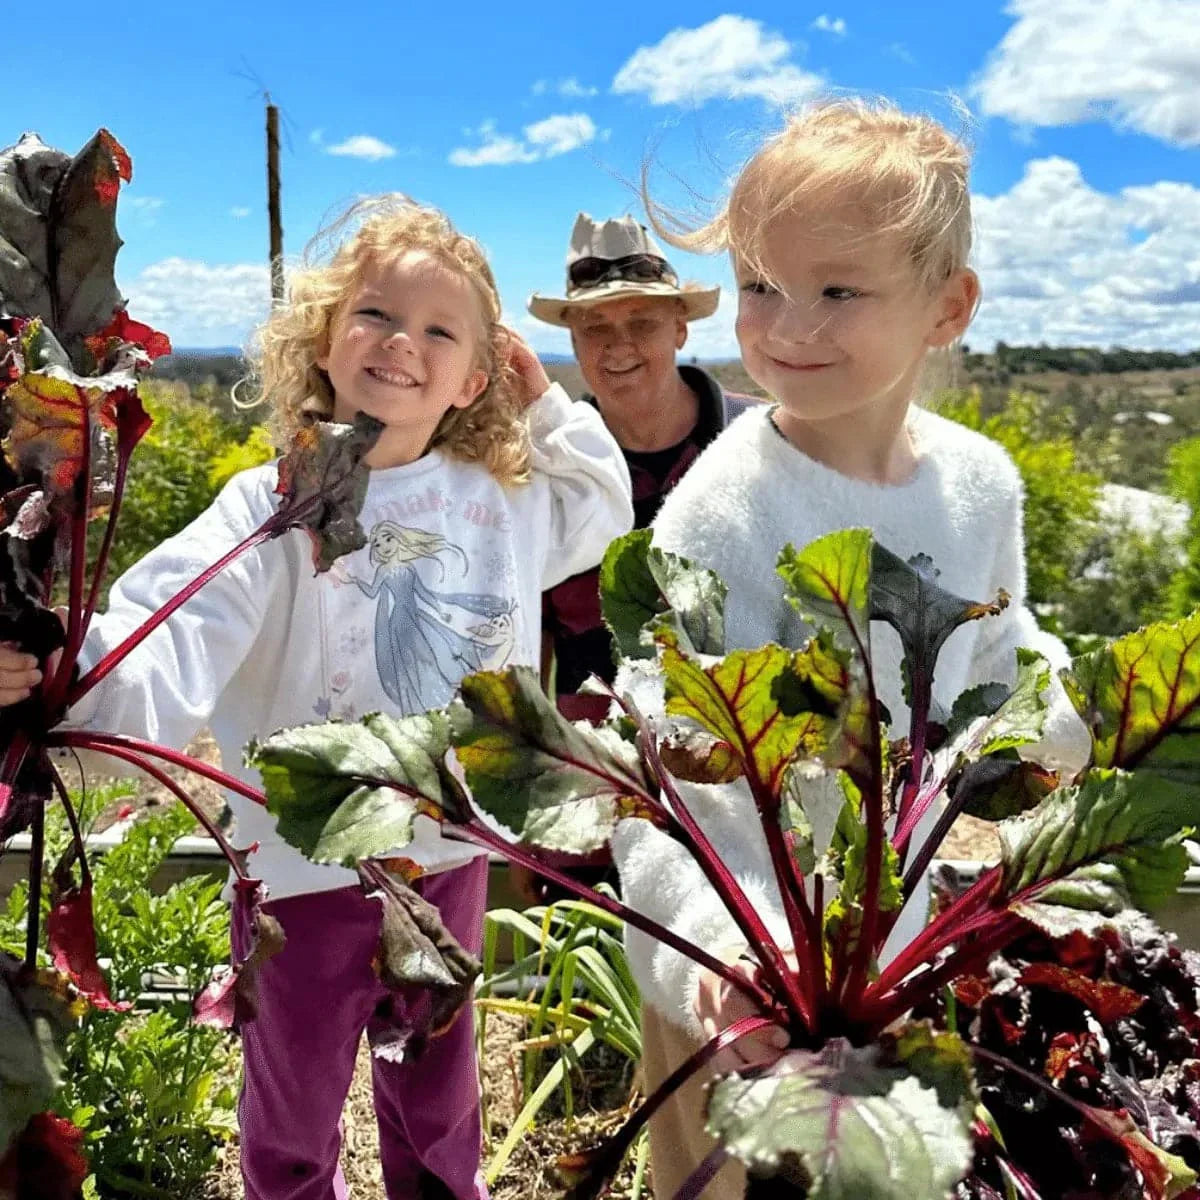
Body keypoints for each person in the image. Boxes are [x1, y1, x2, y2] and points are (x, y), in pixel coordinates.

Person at [0, 196, 633, 1200]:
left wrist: (544, 397)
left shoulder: (503, 500)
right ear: (327, 340)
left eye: (440, 331)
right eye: (377, 316)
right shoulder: (273, 503)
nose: (402, 346)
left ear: (477, 375)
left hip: (450, 857)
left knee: (438, 1109)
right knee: (292, 1115)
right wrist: (66, 680)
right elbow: (176, 625)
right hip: (303, 873)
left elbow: (603, 504)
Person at [608, 98, 1092, 1198]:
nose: (786, 327)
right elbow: (663, 778)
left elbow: (1006, 652)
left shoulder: (978, 486)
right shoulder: (718, 516)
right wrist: (726, 960)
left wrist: (1075, 714)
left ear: (947, 308)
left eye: (837, 290)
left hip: (885, 953)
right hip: (731, 989)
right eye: (760, 286)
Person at [529, 212, 751, 718]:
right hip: (598, 772)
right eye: (594, 327)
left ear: (680, 329)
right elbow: (529, 642)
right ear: (573, 341)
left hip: (741, 756)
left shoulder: (760, 443)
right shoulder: (545, 471)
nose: (617, 345)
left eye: (641, 322)